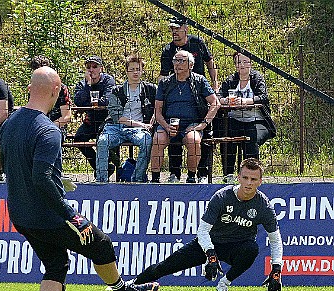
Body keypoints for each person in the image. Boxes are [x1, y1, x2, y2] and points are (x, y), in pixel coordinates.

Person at [0, 66, 159, 291]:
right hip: (48, 215)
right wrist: (71, 214)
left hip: (21, 215)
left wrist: (58, 180)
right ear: (56, 92)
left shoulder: (10, 123)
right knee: (101, 244)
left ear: (29, 90)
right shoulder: (48, 130)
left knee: (56, 264)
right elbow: (41, 178)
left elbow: (17, 166)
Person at [134, 158, 283, 291]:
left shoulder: (264, 205)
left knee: (252, 249)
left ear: (260, 182)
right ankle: (133, 285)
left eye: (253, 179)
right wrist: (211, 254)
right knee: (165, 267)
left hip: (237, 247)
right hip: (209, 243)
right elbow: (203, 230)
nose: (248, 183)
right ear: (238, 178)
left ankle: (224, 283)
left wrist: (276, 269)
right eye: (245, 178)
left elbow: (275, 240)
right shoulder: (222, 197)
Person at [159, 17, 219, 184]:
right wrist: (161, 92)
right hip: (176, 91)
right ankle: (174, 173)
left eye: (177, 28)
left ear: (185, 28)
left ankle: (200, 173)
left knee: (201, 136)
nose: (174, 32)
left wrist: (214, 83)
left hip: (199, 92)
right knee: (174, 134)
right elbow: (163, 74)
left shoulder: (197, 42)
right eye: (172, 29)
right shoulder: (168, 50)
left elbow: (209, 62)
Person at [96, 55, 156, 182]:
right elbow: (118, 118)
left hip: (139, 131)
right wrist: (142, 125)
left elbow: (161, 105)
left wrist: (153, 119)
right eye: (132, 69)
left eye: (138, 69)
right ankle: (101, 181)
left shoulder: (151, 89)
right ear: (126, 71)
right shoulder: (116, 91)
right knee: (102, 141)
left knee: (146, 141)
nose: (135, 72)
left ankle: (138, 179)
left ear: (142, 70)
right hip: (116, 128)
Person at [218, 52, 276, 183]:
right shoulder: (230, 80)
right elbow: (217, 97)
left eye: (245, 62)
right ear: (235, 65)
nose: (242, 65)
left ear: (251, 63)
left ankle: (253, 175)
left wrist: (246, 101)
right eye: (239, 62)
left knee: (251, 138)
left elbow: (263, 97)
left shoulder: (257, 78)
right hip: (234, 119)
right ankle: (229, 175)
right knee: (227, 137)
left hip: (256, 120)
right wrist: (226, 101)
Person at [73, 55, 116, 174]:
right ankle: (101, 167)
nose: (91, 70)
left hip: (108, 121)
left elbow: (108, 100)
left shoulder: (108, 80)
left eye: (95, 66)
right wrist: (89, 85)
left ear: (101, 68)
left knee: (105, 141)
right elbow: (78, 102)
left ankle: (117, 168)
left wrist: (92, 103)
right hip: (91, 121)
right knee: (79, 140)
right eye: (88, 67)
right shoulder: (83, 84)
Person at [29, 55, 71, 129]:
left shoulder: (61, 88)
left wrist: (47, 128)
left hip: (56, 127)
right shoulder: (33, 88)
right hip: (35, 127)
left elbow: (66, 117)